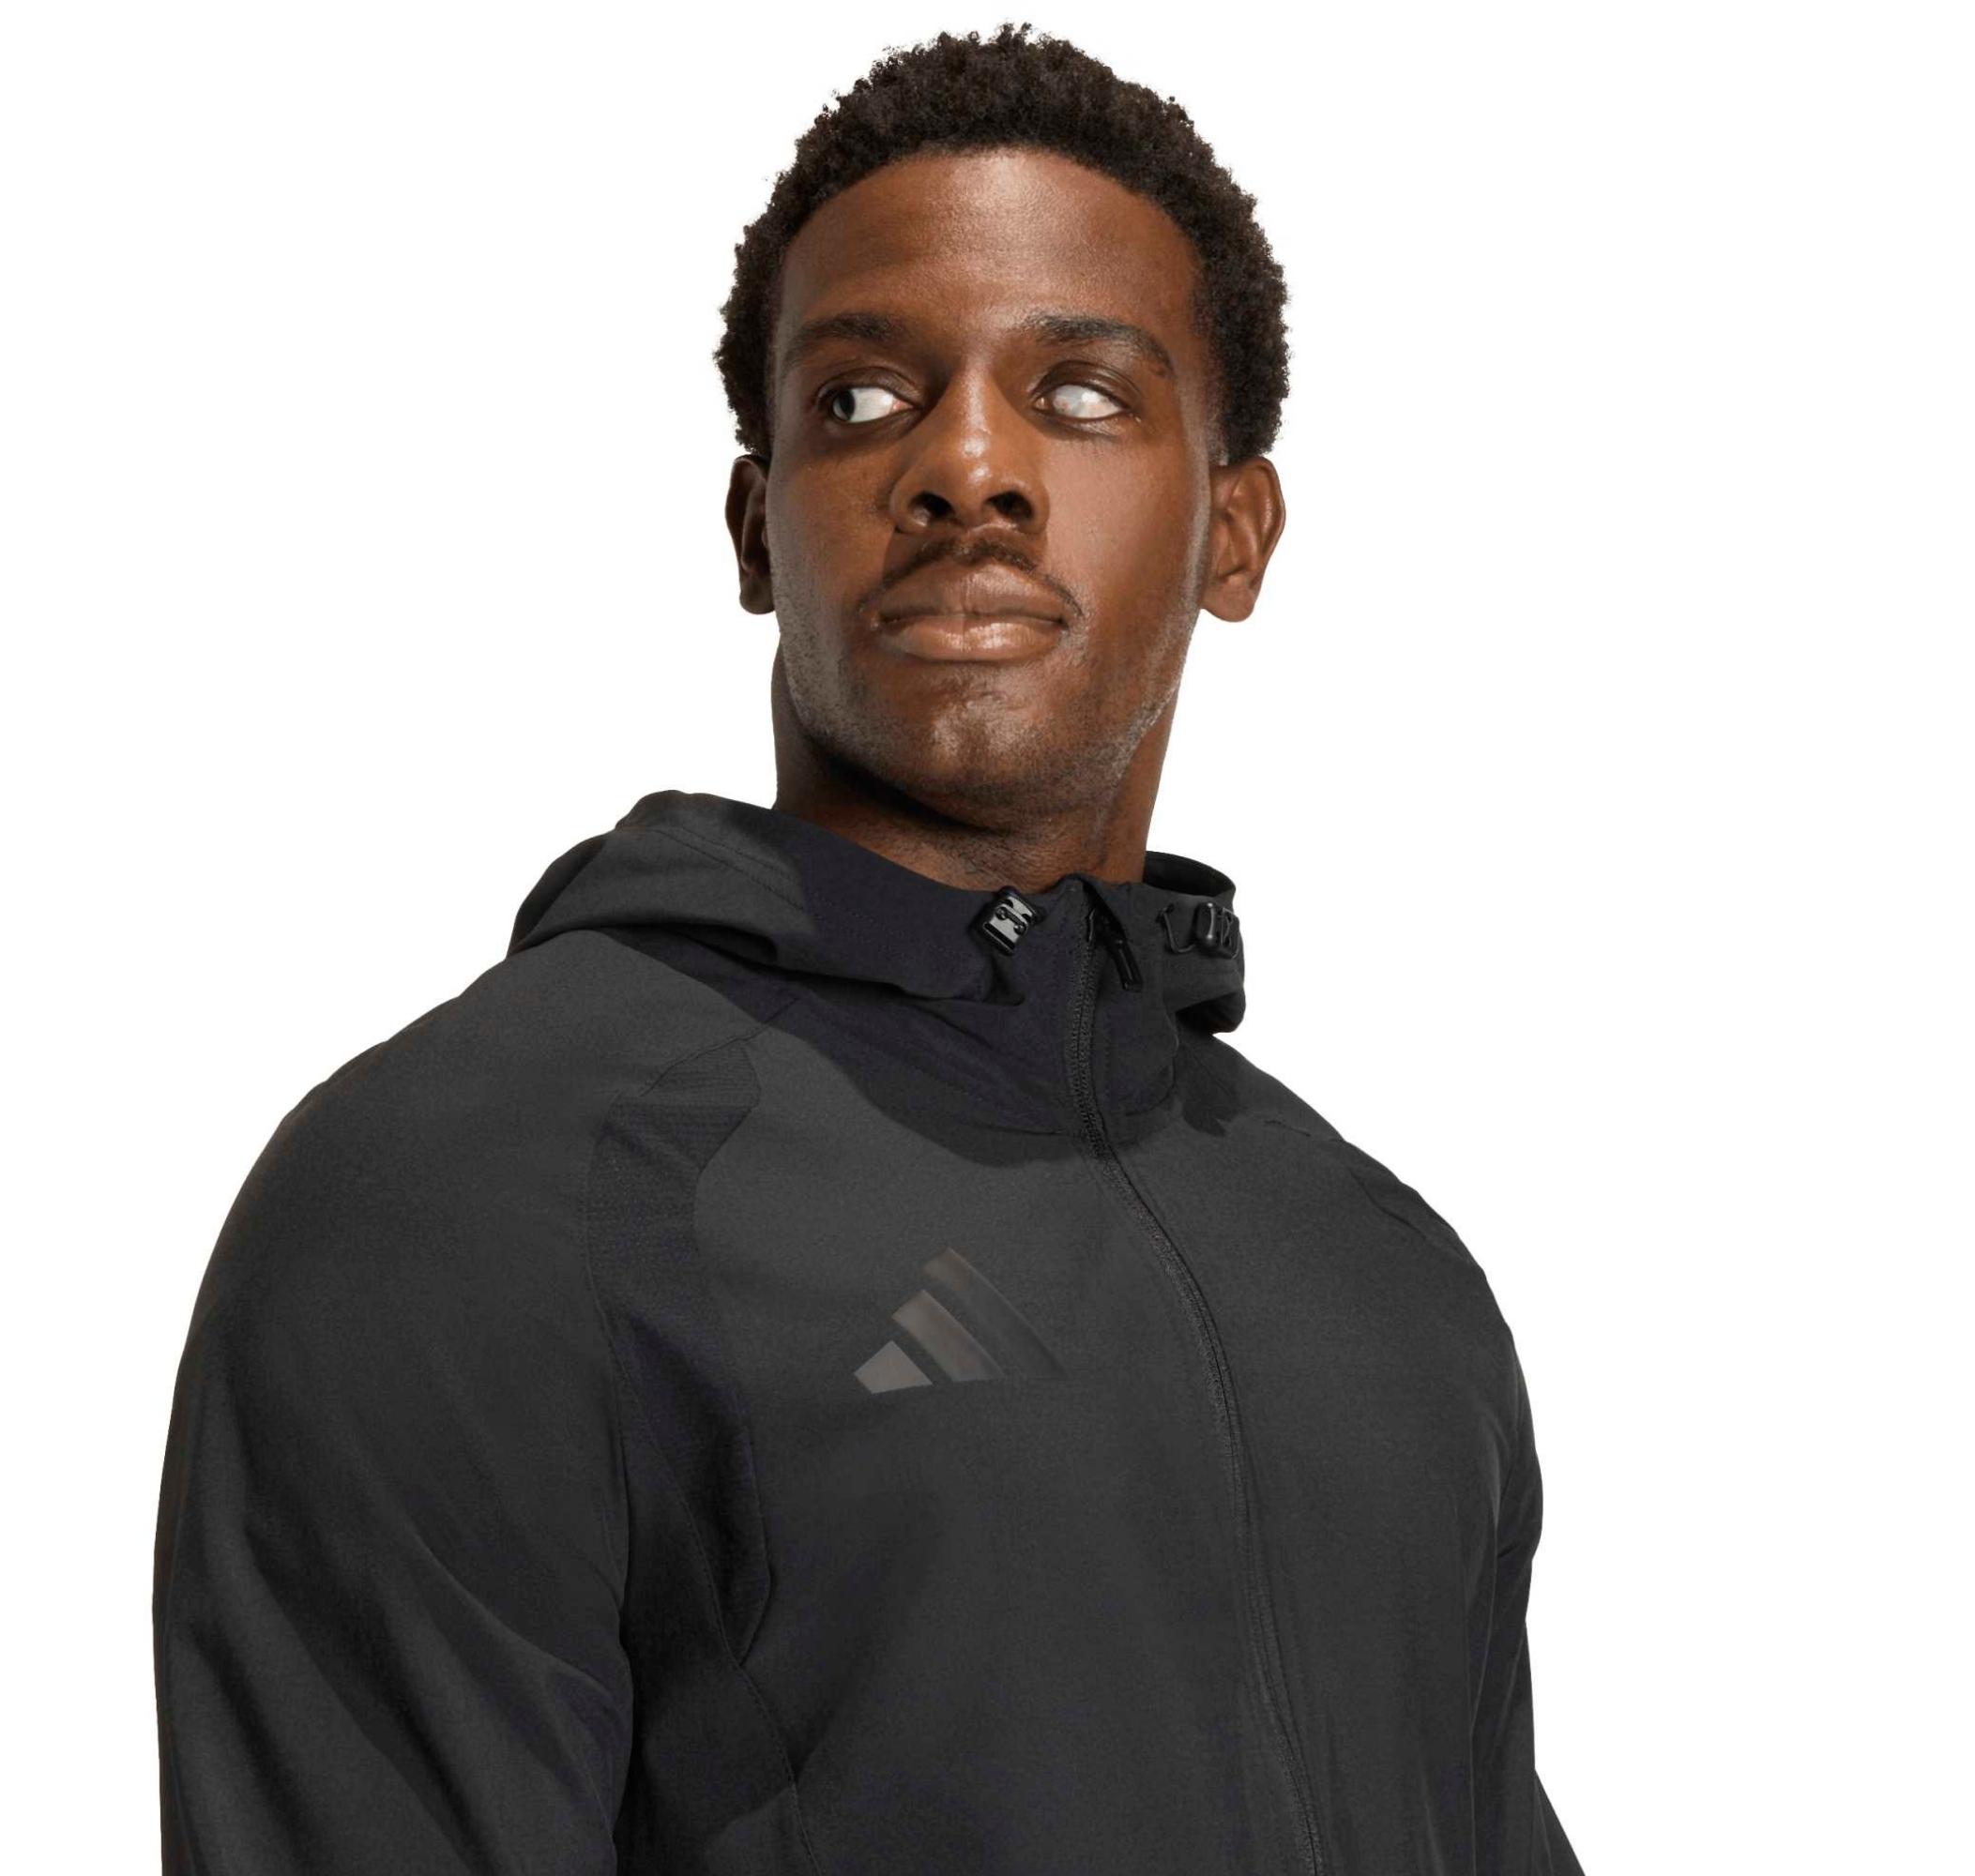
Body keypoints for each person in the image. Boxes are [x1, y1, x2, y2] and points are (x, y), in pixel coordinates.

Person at [153, 23, 1585, 1875]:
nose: (967, 466)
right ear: (758, 529)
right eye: (861, 397)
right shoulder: (470, 1188)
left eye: (1080, 395)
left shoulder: (1376, 1273)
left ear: (1234, 532)